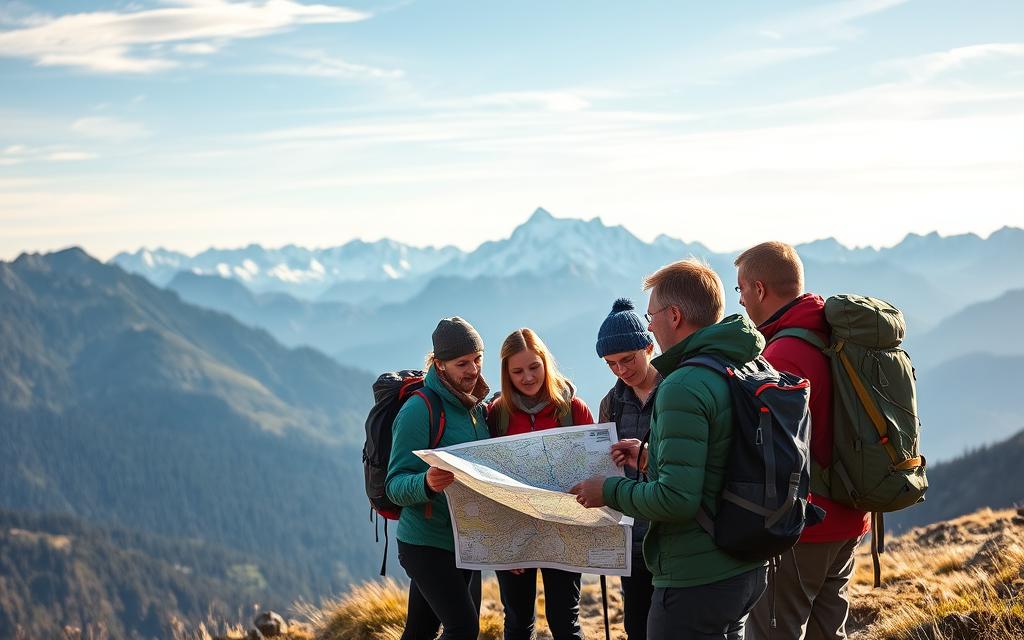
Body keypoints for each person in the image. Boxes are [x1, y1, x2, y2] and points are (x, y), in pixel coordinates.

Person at [571, 259, 768, 640]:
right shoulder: (741, 363)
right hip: (744, 561)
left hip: (695, 574)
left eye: (652, 316)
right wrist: (648, 458)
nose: (651, 326)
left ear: (674, 315)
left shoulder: (682, 385)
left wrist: (606, 490)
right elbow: (718, 458)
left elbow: (677, 499)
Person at [735, 242, 870, 640]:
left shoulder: (781, 356)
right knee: (830, 632)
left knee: (774, 632)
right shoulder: (830, 334)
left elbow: (768, 454)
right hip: (850, 515)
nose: (740, 300)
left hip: (803, 526)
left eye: (741, 289)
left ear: (759, 289)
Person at [385, 316, 491, 640]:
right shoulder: (420, 410)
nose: (473, 369)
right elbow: (394, 485)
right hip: (426, 543)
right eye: (462, 363)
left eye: (477, 359)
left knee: (421, 630)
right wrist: (427, 483)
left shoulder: (474, 406)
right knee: (463, 628)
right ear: (440, 365)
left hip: (464, 542)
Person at [488, 328, 594, 640]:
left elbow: (593, 466)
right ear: (506, 373)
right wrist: (507, 544)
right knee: (518, 622)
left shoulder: (572, 409)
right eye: (517, 371)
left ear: (546, 363)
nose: (528, 377)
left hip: (564, 529)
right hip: (514, 532)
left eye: (534, 367)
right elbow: (488, 480)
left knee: (564, 622)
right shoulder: (497, 415)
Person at [594, 298, 661, 640]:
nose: (621, 370)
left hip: (669, 535)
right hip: (630, 538)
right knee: (636, 625)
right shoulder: (612, 403)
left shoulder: (673, 390)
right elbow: (602, 463)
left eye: (628, 359)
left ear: (649, 346)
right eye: (611, 363)